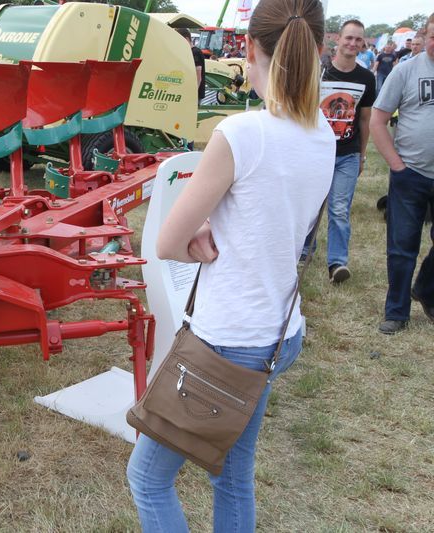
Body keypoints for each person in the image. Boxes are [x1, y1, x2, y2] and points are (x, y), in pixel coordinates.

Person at [126, 0, 334, 531]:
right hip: (279, 332)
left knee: (148, 479)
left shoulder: (241, 134)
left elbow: (167, 241)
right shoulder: (325, 136)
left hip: (227, 340)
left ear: (249, 49)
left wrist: (196, 234)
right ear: (317, 50)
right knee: (233, 475)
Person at [369, 13, 434, 335]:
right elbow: (378, 120)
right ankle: (397, 312)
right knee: (402, 247)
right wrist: (396, 164)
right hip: (411, 174)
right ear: (426, 36)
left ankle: (425, 289)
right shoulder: (406, 70)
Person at [317, 19, 376, 283]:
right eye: (348, 38)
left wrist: (362, 155)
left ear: (362, 44)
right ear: (337, 40)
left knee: (339, 208)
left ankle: (337, 263)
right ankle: (304, 250)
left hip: (347, 154)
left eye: (358, 39)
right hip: (316, 152)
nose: (353, 43)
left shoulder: (366, 78)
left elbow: (364, 119)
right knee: (311, 206)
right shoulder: (319, 72)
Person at [176, 27, 206, 104]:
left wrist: (192, 94)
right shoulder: (190, 52)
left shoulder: (195, 52)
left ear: (186, 39)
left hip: (195, 94)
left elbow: (198, 76)